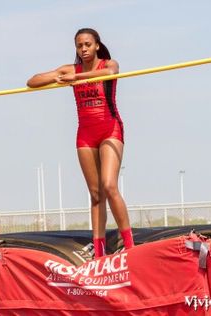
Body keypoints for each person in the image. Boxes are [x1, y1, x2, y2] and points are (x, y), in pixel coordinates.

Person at [27, 28, 134, 258]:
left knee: (109, 185)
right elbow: (32, 81)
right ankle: (99, 250)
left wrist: (75, 78)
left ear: (97, 45)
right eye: (79, 46)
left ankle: (130, 244)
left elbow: (110, 72)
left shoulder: (108, 64)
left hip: (109, 128)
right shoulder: (70, 69)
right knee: (95, 194)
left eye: (87, 44)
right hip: (85, 134)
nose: (83, 49)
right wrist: (57, 77)